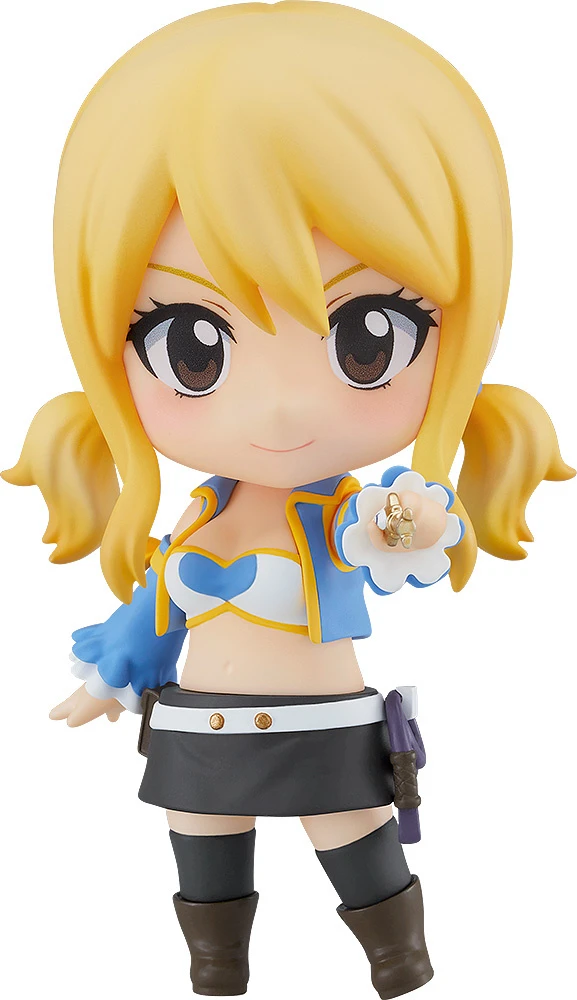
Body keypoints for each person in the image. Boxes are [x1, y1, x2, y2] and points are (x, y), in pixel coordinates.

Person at [3, 4, 573, 997]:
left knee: (350, 830)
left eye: (367, 334)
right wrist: (109, 677)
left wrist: (418, 518)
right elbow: (154, 609)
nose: (278, 409)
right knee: (199, 837)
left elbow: (398, 539)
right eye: (190, 342)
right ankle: (215, 967)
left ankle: (399, 959)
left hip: (320, 723)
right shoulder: (194, 522)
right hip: (200, 727)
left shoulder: (347, 513)